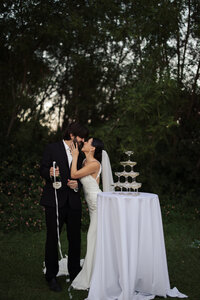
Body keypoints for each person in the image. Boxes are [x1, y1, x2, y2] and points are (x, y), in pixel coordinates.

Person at [40, 122, 89, 292]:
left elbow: (83, 178)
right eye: (81, 137)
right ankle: (51, 276)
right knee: (53, 239)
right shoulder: (52, 148)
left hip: (74, 202)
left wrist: (77, 185)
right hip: (54, 202)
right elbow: (43, 169)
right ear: (71, 135)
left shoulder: (80, 155)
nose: (83, 140)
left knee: (75, 240)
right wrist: (49, 173)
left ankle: (75, 273)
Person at [69, 137, 114, 290]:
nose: (85, 143)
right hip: (93, 205)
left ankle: (93, 275)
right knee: (95, 238)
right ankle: (98, 269)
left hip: (98, 206)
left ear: (93, 148)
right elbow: (82, 181)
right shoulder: (84, 163)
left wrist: (74, 156)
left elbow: (74, 174)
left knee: (92, 237)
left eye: (88, 142)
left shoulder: (94, 164)